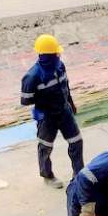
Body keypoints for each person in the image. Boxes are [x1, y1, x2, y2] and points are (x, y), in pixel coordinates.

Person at [20, 34, 83, 188]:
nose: (58, 55)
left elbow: (65, 87)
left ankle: (78, 174)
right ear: (47, 56)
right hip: (47, 117)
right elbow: (26, 100)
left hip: (64, 111)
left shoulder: (60, 66)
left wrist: (71, 103)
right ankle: (47, 176)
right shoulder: (32, 76)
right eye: (56, 53)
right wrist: (43, 106)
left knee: (76, 141)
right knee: (45, 147)